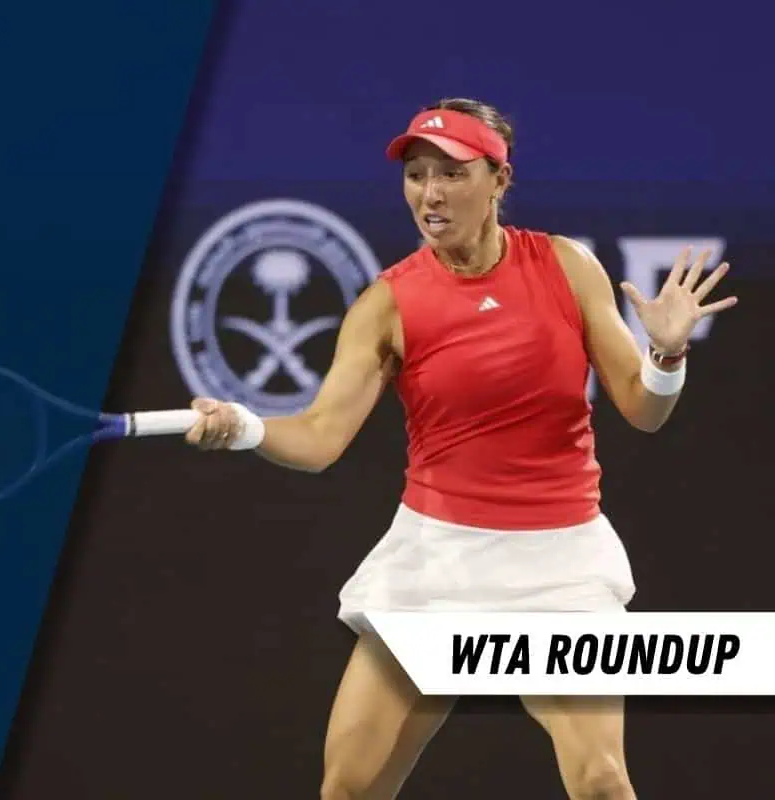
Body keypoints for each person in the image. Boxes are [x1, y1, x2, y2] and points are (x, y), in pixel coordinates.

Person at [182, 98, 738, 800]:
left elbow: (644, 408)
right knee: (348, 787)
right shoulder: (386, 304)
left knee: (600, 779)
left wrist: (665, 352)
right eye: (416, 175)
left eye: (452, 173)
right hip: (435, 562)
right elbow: (320, 437)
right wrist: (247, 427)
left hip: (559, 566)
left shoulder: (567, 267)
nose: (431, 193)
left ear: (499, 181)